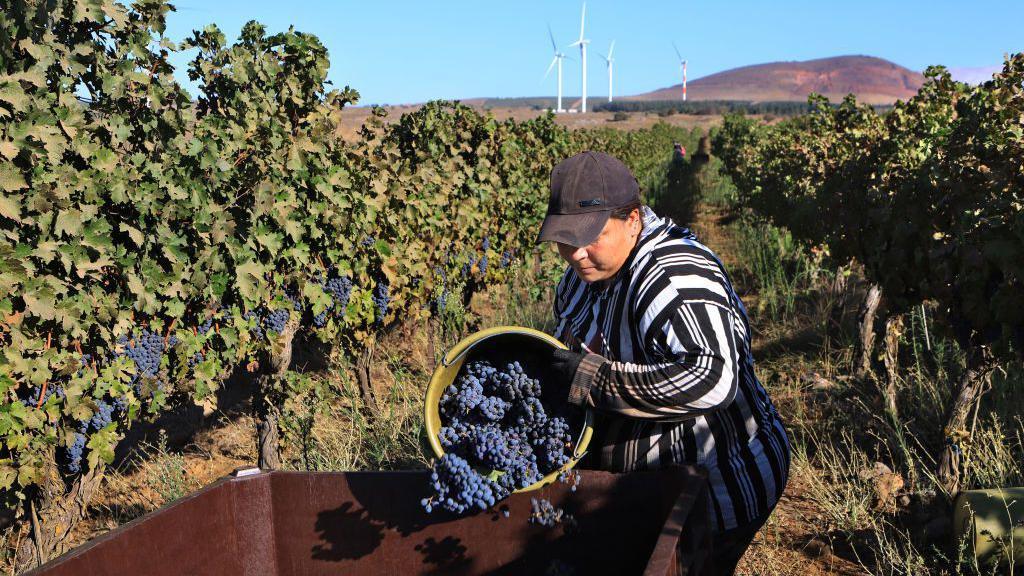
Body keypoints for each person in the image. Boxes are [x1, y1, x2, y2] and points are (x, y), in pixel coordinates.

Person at [538, 151, 790, 575]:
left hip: (721, 484)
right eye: (565, 238)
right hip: (640, 486)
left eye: (590, 236)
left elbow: (713, 378)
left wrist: (597, 381)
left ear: (633, 218)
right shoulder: (578, 281)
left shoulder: (673, 276)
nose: (576, 253)